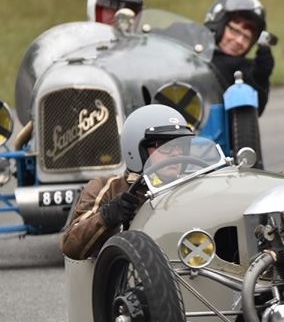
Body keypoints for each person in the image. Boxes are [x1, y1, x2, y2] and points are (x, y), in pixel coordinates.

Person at [61, 104, 193, 260]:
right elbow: (70, 245)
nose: (176, 153)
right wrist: (107, 216)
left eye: (179, 146)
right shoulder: (108, 187)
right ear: (137, 149)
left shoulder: (195, 185)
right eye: (163, 146)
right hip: (128, 279)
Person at [204, 0, 275, 115]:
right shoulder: (190, 48)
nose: (239, 41)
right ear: (218, 24)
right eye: (234, 30)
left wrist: (261, 77)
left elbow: (255, 111)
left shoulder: (244, 69)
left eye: (246, 37)